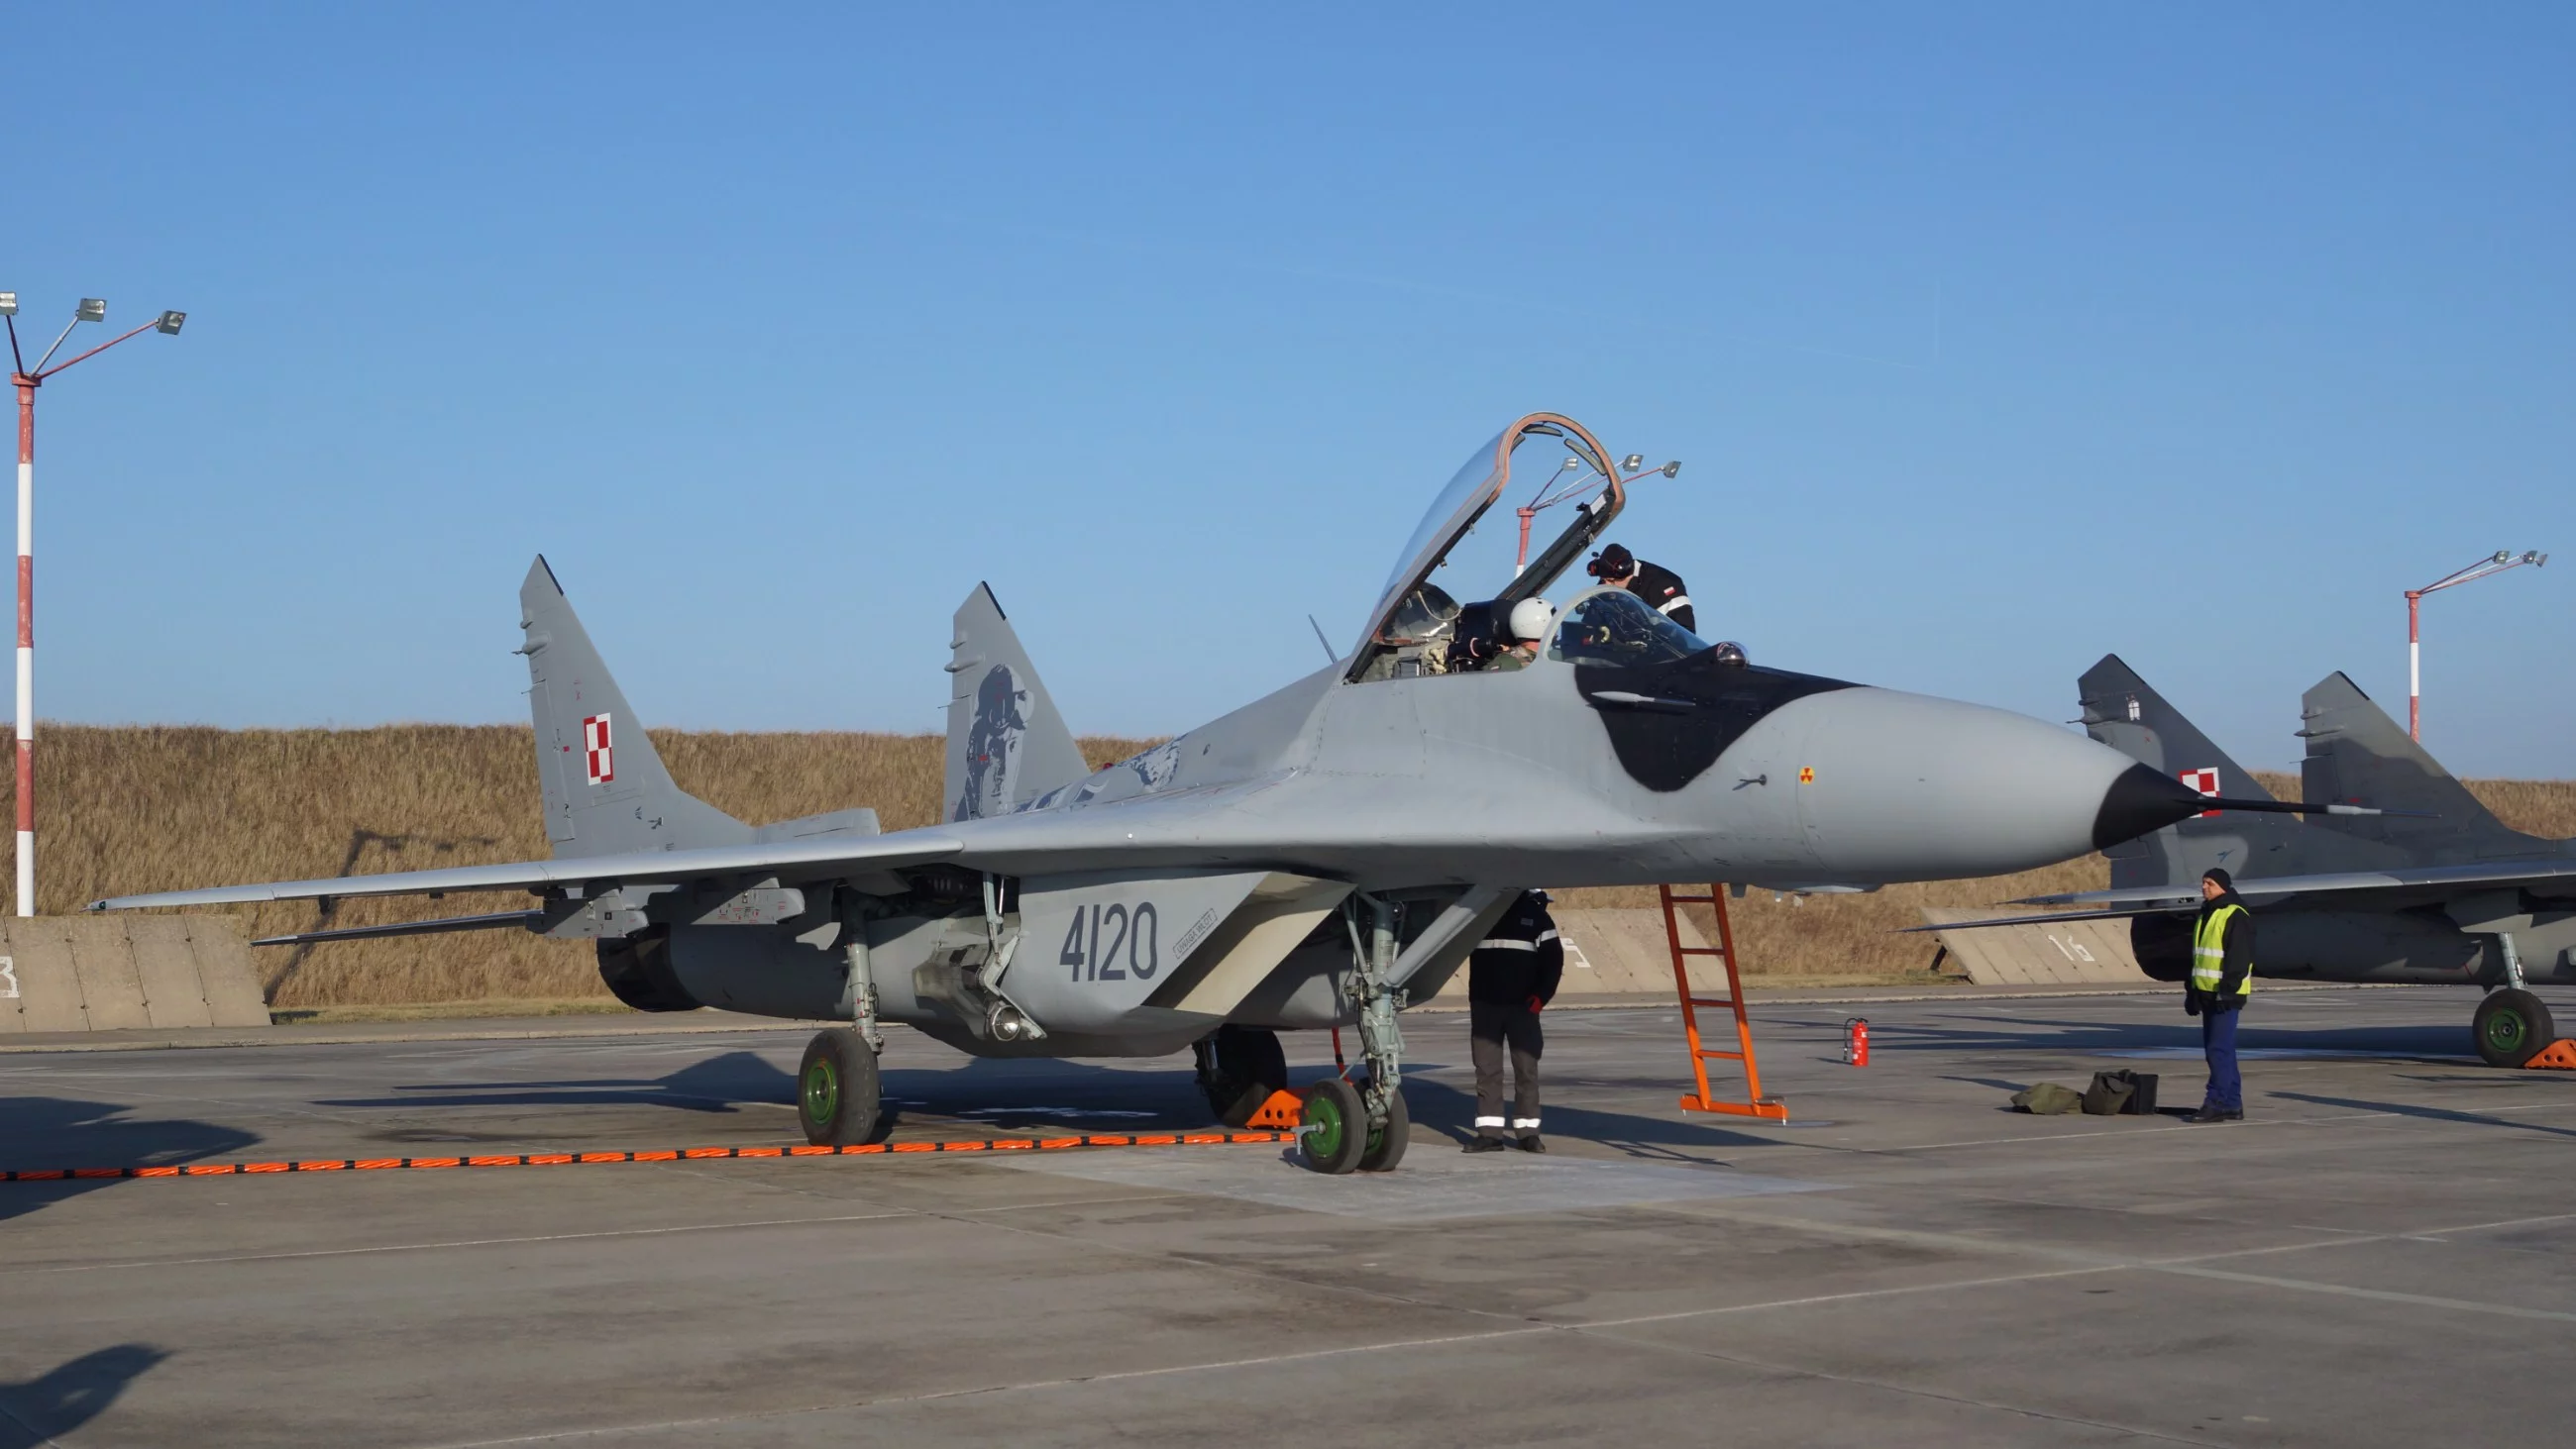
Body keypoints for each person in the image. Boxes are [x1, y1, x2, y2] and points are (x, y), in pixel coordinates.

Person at [1463, 888, 1563, 1153]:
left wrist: (1541, 998)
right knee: (1487, 1071)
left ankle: (1528, 1134)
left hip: (1523, 1008)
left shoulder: (1538, 918)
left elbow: (1554, 962)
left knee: (1526, 1071)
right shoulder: (1481, 914)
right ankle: (1490, 1135)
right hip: (1485, 1006)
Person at [2184, 867, 2255, 1123]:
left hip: (2225, 996)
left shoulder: (2235, 915)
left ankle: (2216, 1102)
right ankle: (2232, 1104)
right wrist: (2192, 992)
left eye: (2210, 883)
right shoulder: (2207, 913)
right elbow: (2199, 957)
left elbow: (2239, 958)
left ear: (2223, 886)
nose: (2204, 887)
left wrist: (2227, 992)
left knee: (2218, 1051)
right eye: (2203, 882)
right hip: (2207, 993)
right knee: (2221, 1050)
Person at [1585, 543, 1694, 633]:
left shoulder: (1663, 584)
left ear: (1629, 573)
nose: (1607, 585)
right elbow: (1589, 626)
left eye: (1612, 581)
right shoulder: (1606, 585)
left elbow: (1685, 634)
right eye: (1604, 580)